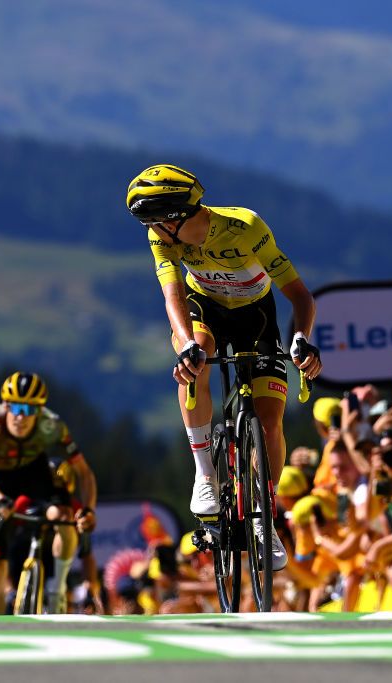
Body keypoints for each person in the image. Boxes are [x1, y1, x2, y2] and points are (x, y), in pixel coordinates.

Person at [126, 163, 323, 571]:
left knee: (269, 423)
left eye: (155, 221)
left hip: (258, 316)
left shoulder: (246, 226)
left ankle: (264, 519)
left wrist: (300, 338)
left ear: (174, 218)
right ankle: (204, 475)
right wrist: (185, 345)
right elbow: (172, 294)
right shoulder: (159, 237)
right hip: (205, 311)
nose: (152, 229)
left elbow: (300, 296)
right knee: (196, 356)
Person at [0, 371, 97, 615]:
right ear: (5, 405)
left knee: (63, 517)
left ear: (39, 412)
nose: (21, 417)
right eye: (16, 408)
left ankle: (57, 588)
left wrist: (89, 509)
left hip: (34, 476)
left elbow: (84, 473)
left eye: (29, 410)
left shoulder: (52, 426)